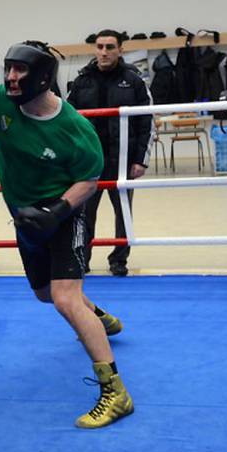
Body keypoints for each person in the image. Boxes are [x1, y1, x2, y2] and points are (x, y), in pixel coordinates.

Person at [0, 40, 133, 429]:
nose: (12, 77)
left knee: (66, 299)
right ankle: (98, 317)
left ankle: (115, 392)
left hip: (65, 213)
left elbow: (89, 180)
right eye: (9, 68)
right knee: (45, 293)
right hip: (25, 217)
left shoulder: (74, 128)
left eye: (21, 71)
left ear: (44, 78)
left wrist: (59, 210)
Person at [67, 29, 154, 277]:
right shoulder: (82, 80)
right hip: (90, 162)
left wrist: (140, 160)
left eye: (110, 47)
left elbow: (146, 120)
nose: (104, 52)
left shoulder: (134, 80)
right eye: (100, 47)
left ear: (120, 50)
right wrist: (71, 159)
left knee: (123, 213)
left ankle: (119, 259)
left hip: (123, 160)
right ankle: (81, 258)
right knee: (83, 214)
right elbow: (68, 121)